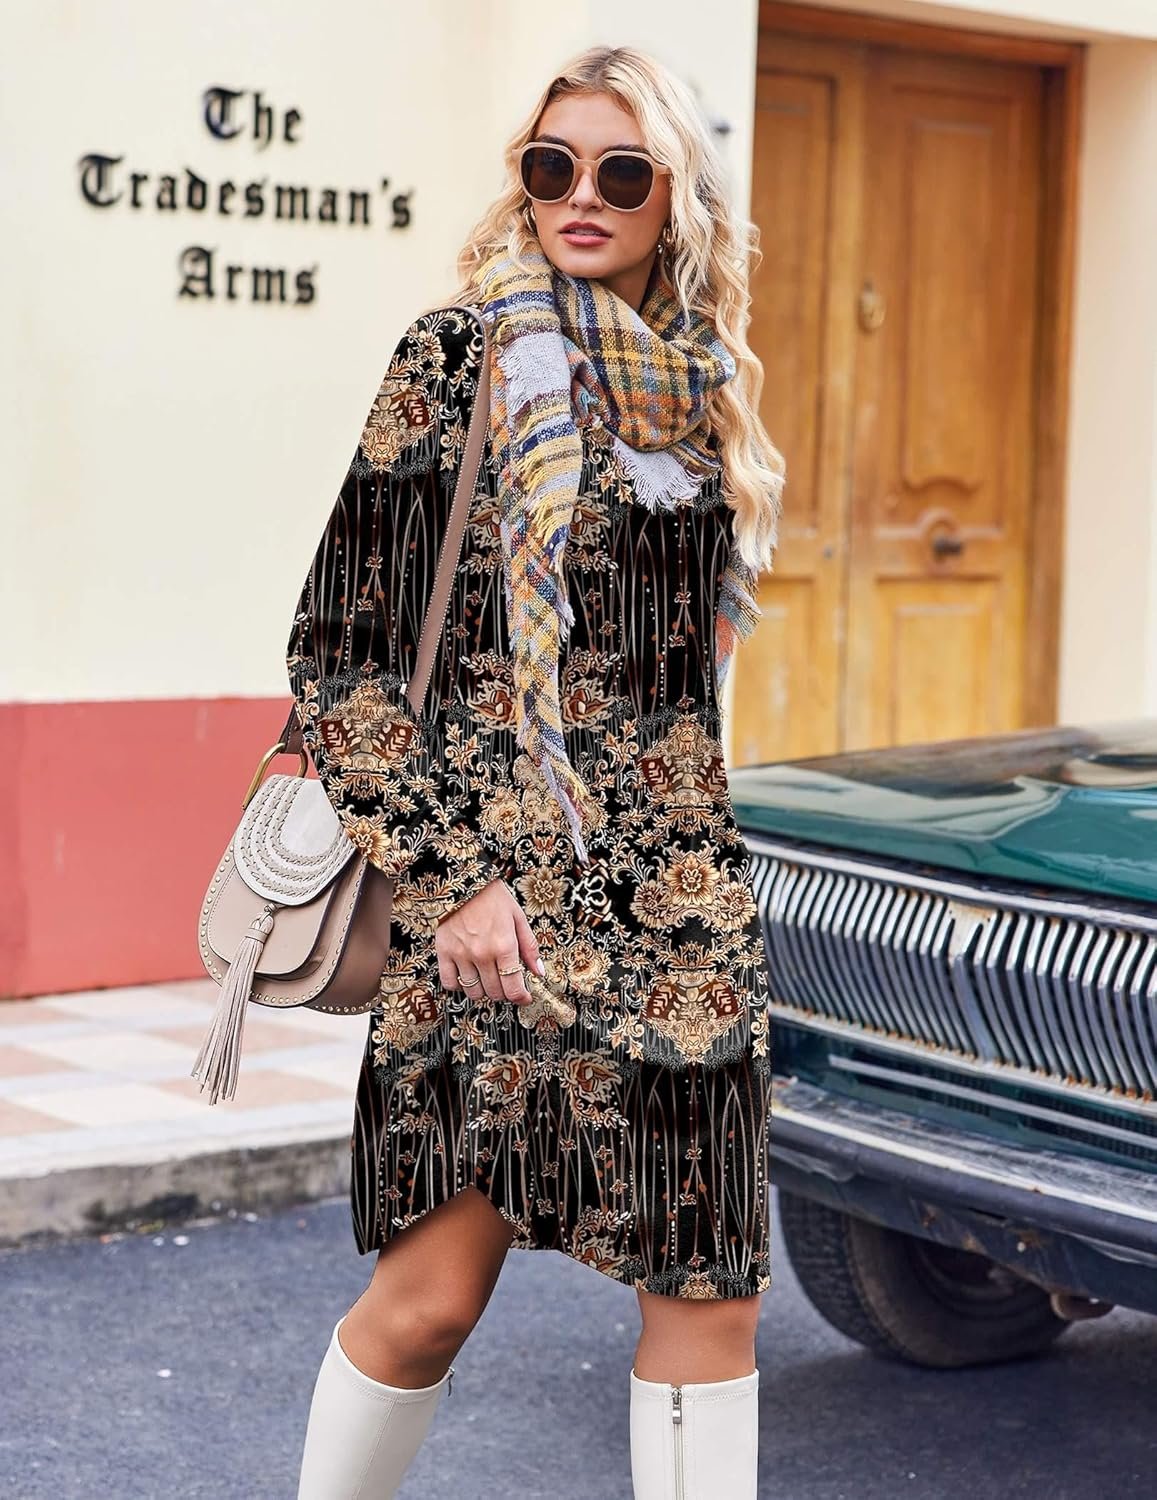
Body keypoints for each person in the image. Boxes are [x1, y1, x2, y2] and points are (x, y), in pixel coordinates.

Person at [288, 42, 784, 1500]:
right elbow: (341, 654)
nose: (583, 195)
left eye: (621, 172)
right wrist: (453, 880)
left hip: (679, 908)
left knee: (711, 1293)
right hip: (496, 903)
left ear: (675, 197)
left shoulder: (699, 385)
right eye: (552, 165)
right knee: (431, 1299)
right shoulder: (461, 358)